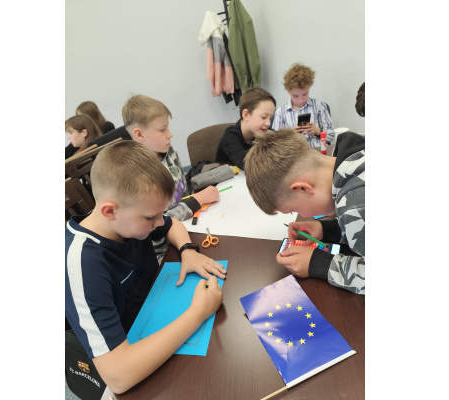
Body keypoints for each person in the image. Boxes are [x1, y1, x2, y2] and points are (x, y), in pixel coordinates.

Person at [65, 140, 227, 394]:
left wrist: (187, 250)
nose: (160, 222)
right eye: (151, 217)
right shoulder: (82, 264)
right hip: (130, 357)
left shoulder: (129, 220)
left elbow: (172, 225)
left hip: (156, 315)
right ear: (109, 211)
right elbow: (118, 377)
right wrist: (199, 312)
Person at [244, 128, 365, 294]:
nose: (300, 214)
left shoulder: (355, 203)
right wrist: (326, 230)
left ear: (302, 188)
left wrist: (317, 263)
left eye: (293, 209)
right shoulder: (352, 153)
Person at [124, 94, 221, 262]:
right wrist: (196, 201)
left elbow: (183, 190)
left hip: (188, 223)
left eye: (167, 128)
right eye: (162, 130)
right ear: (139, 134)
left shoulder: (169, 151)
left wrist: (194, 201)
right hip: (163, 249)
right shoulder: (137, 175)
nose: (170, 134)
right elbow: (156, 227)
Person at [270, 63, 334, 149]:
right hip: (295, 152)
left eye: (304, 94)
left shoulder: (319, 106)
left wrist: (317, 131)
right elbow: (275, 143)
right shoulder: (280, 112)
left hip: (318, 150)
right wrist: (291, 134)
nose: (300, 100)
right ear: (288, 91)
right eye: (295, 96)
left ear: (309, 88)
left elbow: (331, 136)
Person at [215, 87, 276, 170]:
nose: (268, 123)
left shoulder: (262, 131)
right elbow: (248, 165)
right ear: (246, 115)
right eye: (263, 117)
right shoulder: (230, 137)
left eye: (270, 118)